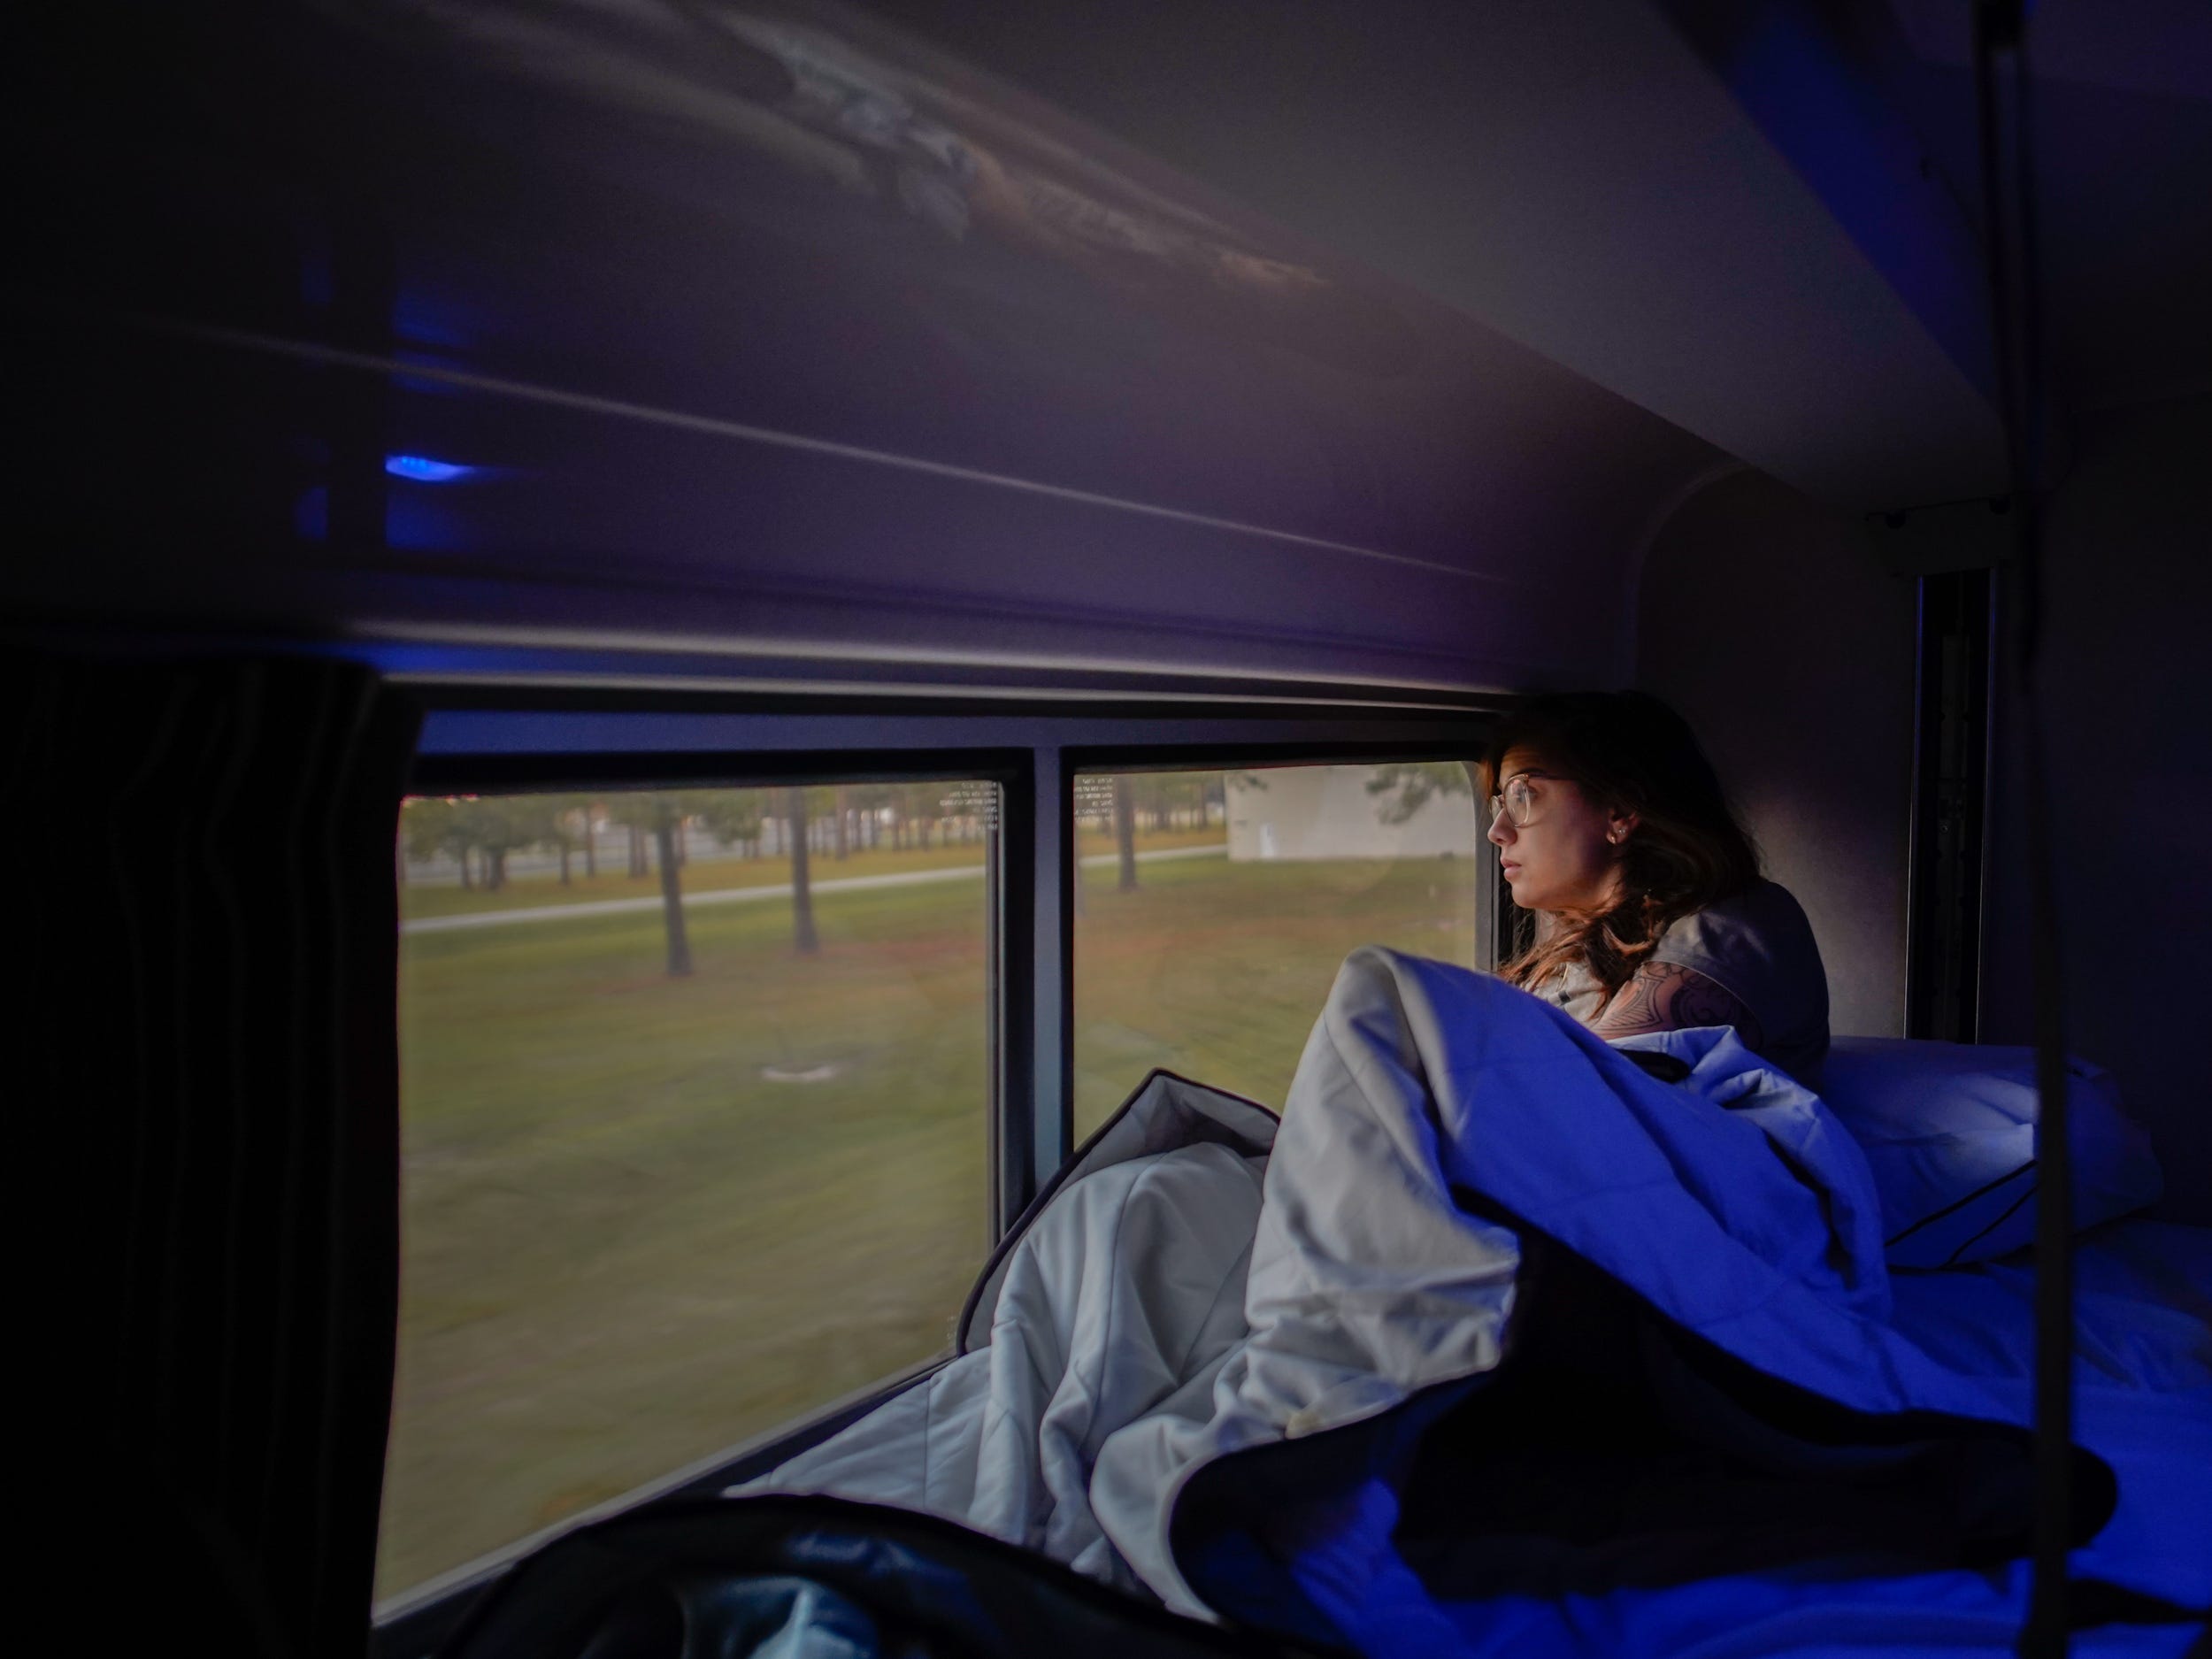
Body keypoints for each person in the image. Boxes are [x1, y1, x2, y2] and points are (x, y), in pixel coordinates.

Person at [1479, 691, 1829, 1077]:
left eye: (1524, 795)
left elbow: (1579, 1091)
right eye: (1501, 803)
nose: (1498, 831)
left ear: (1621, 811)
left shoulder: (1731, 927)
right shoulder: (1575, 951)